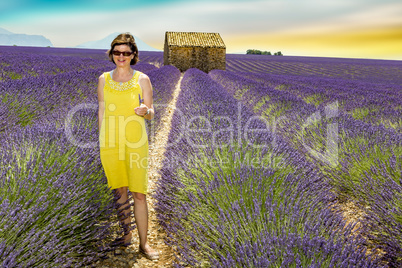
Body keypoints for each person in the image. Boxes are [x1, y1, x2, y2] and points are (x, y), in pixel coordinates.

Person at [97, 33, 158, 260]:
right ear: (111, 54)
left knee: (139, 193)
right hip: (110, 143)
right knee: (119, 190)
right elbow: (102, 111)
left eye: (126, 53)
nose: (121, 56)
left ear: (133, 55)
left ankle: (144, 243)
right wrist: (101, 139)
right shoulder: (103, 79)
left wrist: (146, 112)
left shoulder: (143, 79)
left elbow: (151, 112)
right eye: (117, 52)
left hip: (135, 142)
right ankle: (127, 235)